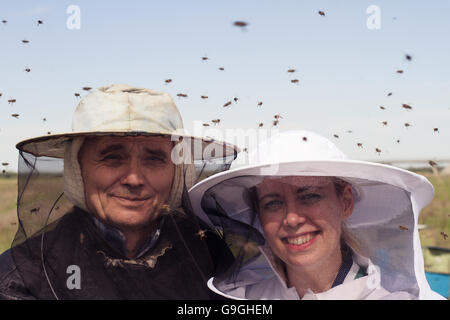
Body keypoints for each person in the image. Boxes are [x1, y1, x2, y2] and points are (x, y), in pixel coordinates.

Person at [0, 84, 237, 299]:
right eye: (112, 157)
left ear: (178, 173)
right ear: (78, 169)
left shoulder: (213, 257)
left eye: (154, 158)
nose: (134, 179)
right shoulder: (20, 276)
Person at [188, 130, 445, 299]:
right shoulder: (245, 298)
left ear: (345, 202)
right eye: (272, 203)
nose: (291, 218)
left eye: (309, 195)